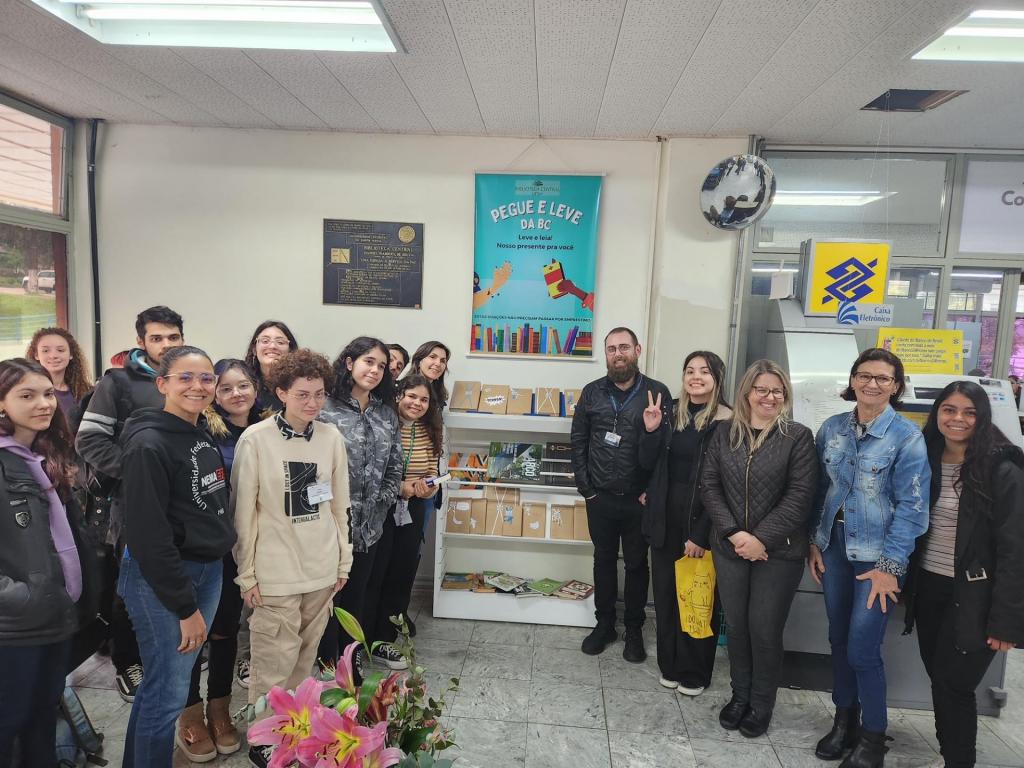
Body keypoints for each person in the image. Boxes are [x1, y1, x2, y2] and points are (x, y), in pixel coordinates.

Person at [230, 348, 352, 768]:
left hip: (321, 569)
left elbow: (339, 505)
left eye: (319, 394)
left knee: (304, 662)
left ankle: (296, 733)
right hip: (275, 571)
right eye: (302, 394)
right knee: (271, 664)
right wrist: (247, 574)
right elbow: (243, 513)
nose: (312, 403)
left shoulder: (331, 437)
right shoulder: (256, 439)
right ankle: (264, 738)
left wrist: (343, 560)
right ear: (280, 392)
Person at [809, 348, 930, 768]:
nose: (872, 384)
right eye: (865, 376)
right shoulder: (832, 429)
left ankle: (873, 740)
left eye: (883, 378)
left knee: (862, 648)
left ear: (896, 386)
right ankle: (845, 721)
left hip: (877, 558)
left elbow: (914, 510)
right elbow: (820, 491)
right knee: (838, 640)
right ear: (853, 380)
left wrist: (890, 568)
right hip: (835, 549)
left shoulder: (907, 437)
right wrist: (814, 540)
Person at [117, 346, 235, 768]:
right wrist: (185, 606)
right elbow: (148, 536)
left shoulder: (199, 432)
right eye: (185, 378)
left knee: (169, 684)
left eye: (206, 378)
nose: (198, 386)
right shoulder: (148, 443)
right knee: (167, 693)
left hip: (206, 569)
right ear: (162, 384)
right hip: (165, 578)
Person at [903, 381, 1024, 768]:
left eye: (969, 412)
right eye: (949, 410)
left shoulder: (1002, 470)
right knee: (940, 679)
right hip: (929, 589)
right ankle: (950, 755)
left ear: (982, 417)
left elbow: (1015, 551)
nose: (958, 419)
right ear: (936, 413)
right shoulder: (925, 457)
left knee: (955, 685)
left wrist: (1005, 623)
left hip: (975, 597)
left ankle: (959, 761)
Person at [702, 359, 816, 738]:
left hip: (778, 553)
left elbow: (800, 498)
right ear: (747, 392)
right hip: (730, 547)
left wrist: (760, 539)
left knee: (764, 629)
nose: (770, 397)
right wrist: (736, 534)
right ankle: (740, 696)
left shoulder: (797, 437)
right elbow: (709, 485)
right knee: (736, 627)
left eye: (777, 390)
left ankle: (761, 702)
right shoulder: (724, 433)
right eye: (762, 389)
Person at [76, 304, 185, 701]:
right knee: (131, 589)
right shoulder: (119, 383)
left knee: (171, 580)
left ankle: (168, 653)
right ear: (141, 342)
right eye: (157, 338)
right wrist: (138, 474)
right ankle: (127, 663)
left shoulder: (187, 378)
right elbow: (88, 441)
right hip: (132, 504)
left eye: (173, 337)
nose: (166, 344)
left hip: (180, 503)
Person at [570, 327, 672, 662]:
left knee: (635, 565)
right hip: (600, 498)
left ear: (637, 350)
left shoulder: (656, 393)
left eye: (624, 347)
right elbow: (578, 442)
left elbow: (664, 453)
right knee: (602, 561)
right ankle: (605, 625)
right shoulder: (592, 392)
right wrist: (587, 490)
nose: (618, 354)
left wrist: (650, 493)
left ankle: (634, 630)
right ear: (606, 353)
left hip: (638, 500)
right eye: (612, 348)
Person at [0, 359, 83, 768]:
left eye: (48, 393)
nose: (44, 404)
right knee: (10, 722)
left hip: (55, 615)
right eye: (27, 396)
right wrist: (23, 598)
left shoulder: (45, 454)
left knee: (41, 724)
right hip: (15, 625)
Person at [177, 359, 261, 761]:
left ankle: (220, 711)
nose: (236, 394)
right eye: (226, 388)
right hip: (207, 550)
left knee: (227, 630)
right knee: (195, 636)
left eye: (243, 385)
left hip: (247, 550)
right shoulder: (202, 434)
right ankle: (190, 717)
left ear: (256, 388)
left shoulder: (269, 429)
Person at [639, 350, 731, 696]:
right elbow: (647, 464)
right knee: (665, 596)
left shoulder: (727, 420)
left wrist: (702, 534)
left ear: (717, 378)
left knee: (698, 595)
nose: (696, 377)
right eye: (689, 370)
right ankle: (670, 664)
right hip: (664, 517)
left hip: (701, 519)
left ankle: (695, 671)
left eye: (704, 372)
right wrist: (649, 431)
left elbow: (726, 485)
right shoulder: (666, 412)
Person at [317, 336, 403, 668]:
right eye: (369, 361)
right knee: (328, 597)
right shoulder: (324, 408)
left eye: (382, 365)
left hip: (371, 526)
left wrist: (383, 500)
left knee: (357, 595)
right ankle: (327, 661)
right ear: (350, 363)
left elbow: (396, 464)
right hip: (331, 524)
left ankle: (349, 659)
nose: (375, 370)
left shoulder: (385, 413)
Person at [364, 374, 442, 660]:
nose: (417, 403)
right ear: (398, 396)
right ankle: (362, 639)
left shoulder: (431, 429)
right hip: (381, 508)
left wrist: (427, 488)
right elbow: (368, 470)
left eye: (423, 400)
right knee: (375, 574)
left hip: (414, 509)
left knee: (401, 575)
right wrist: (400, 487)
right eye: (412, 396)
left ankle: (385, 639)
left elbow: (433, 471)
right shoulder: (382, 424)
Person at [26, 326, 93, 434]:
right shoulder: (26, 392)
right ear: (36, 355)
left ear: (71, 354)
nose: (53, 356)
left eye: (60, 350)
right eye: (46, 351)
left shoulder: (87, 391)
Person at [243, 320, 298, 415]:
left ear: (290, 350)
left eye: (280, 342)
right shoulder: (243, 383)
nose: (272, 346)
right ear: (254, 350)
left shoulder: (300, 383)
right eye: (265, 341)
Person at [408, 340, 451, 408]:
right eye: (432, 357)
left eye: (443, 361)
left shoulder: (438, 394)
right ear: (419, 361)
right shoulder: (405, 389)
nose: (438, 363)